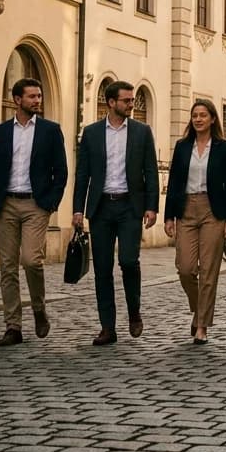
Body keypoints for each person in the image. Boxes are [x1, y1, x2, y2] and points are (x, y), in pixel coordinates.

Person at [0, 78, 69, 347]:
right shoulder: (1, 132)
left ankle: (38, 308)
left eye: (39, 96)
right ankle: (13, 326)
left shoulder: (51, 131)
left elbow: (60, 172)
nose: (37, 100)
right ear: (17, 100)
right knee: (7, 267)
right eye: (32, 97)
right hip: (6, 204)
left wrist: (50, 203)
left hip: (35, 205)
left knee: (30, 259)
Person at [72, 80, 159, 346]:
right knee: (102, 269)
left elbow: (151, 172)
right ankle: (107, 327)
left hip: (129, 206)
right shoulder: (93, 133)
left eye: (133, 100)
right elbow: (83, 173)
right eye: (126, 101)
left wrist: (151, 206)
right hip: (101, 208)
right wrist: (78, 209)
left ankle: (134, 310)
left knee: (129, 261)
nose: (131, 104)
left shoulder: (142, 132)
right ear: (111, 103)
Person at [164, 99, 226, 345]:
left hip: (212, 210)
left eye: (203, 115)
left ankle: (202, 326)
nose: (198, 119)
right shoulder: (182, 146)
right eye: (195, 115)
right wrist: (168, 216)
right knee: (185, 268)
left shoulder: (223, 148)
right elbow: (174, 181)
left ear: (213, 119)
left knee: (208, 271)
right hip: (186, 208)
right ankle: (199, 310)